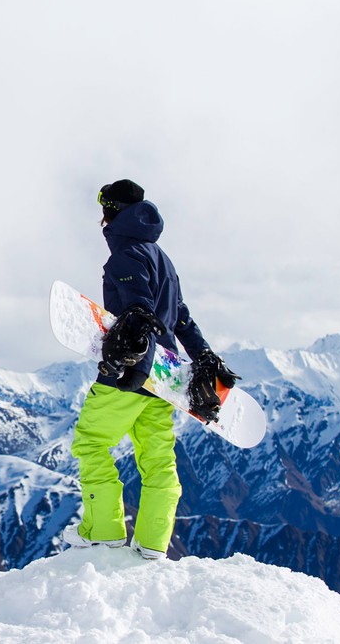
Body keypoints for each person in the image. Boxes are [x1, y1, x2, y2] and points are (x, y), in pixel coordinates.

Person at [63, 179, 238, 559]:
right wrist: (203, 354)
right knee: (158, 457)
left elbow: (139, 310)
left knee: (91, 442)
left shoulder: (125, 256)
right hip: (165, 377)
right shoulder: (162, 258)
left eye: (103, 208)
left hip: (129, 373)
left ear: (111, 211)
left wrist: (131, 347)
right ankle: (153, 544)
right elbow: (181, 318)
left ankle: (103, 531)